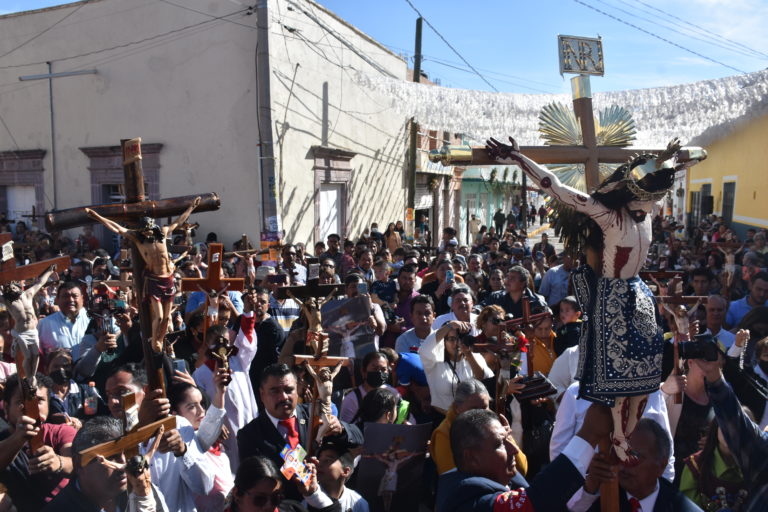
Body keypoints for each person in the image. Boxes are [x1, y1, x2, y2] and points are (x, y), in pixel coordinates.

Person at [487, 136, 688, 461]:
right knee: (619, 377)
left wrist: (672, 159)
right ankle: (619, 436)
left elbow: (672, 167)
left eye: (655, 200)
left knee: (646, 377)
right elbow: (556, 187)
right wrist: (518, 158)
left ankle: (628, 434)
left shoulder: (648, 215)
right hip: (613, 298)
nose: (651, 206)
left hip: (639, 295)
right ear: (632, 192)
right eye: (647, 199)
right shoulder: (608, 214)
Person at [435, 405, 612, 512]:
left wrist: (589, 487)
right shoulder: (466, 498)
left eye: (509, 439)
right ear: (472, 457)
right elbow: (534, 502)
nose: (514, 450)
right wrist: (588, 434)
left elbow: (550, 505)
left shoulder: (512, 479)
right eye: (500, 444)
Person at [86, 196, 202, 353]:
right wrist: (97, 217)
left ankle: (159, 340)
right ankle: (154, 341)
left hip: (168, 279)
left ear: (153, 228)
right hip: (154, 280)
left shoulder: (163, 233)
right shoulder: (138, 239)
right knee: (159, 317)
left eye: (149, 231)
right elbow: (117, 228)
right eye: (144, 232)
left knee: (167, 318)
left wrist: (191, 207)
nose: (147, 234)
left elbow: (178, 222)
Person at [237, 364, 361, 501]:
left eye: (289, 390)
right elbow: (255, 480)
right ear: (262, 394)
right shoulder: (250, 435)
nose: (283, 397)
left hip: (324, 500)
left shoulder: (314, 413)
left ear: (297, 389)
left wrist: (341, 429)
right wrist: (300, 470)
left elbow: (358, 437)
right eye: (275, 391)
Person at [104, 363, 215, 512]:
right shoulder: (107, 438)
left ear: (146, 391)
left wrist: (183, 451)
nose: (113, 402)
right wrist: (140, 428)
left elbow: (204, 486)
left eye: (121, 392)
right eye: (109, 395)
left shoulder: (178, 425)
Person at [566, 419, 702, 511]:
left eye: (634, 456)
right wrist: (590, 487)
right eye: (620, 454)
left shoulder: (681, 507)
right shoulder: (604, 496)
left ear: (661, 465)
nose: (624, 464)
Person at [42, 416, 167, 512]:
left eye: (127, 452)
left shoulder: (141, 488)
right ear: (79, 463)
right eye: (111, 457)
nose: (124, 464)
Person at [193, 294, 258, 472]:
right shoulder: (200, 374)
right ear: (208, 345)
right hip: (224, 429)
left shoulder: (239, 362)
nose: (221, 348)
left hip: (247, 421)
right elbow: (201, 405)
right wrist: (213, 423)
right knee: (231, 468)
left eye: (225, 343)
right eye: (216, 344)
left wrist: (247, 312)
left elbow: (247, 341)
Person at [0, 374, 75, 511]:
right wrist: (18, 438)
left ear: (48, 405)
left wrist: (59, 462)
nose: (30, 406)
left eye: (39, 400)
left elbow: (77, 463)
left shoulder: (61, 432)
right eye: (20, 401)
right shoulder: (3, 441)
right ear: (6, 407)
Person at [430, 378, 527, 477]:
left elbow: (522, 470)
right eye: (474, 410)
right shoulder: (444, 434)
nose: (481, 415)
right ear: (457, 408)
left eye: (484, 408)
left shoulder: (495, 425)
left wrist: (507, 439)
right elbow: (452, 478)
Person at [169, 368, 233, 511]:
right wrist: (220, 393)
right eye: (191, 407)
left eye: (202, 403)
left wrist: (220, 391)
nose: (201, 410)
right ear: (175, 415)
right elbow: (210, 424)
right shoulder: (186, 445)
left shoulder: (213, 438)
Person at [419, 320, 494, 413]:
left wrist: (468, 355)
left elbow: (483, 378)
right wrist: (450, 325)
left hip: (470, 417)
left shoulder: (473, 356)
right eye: (452, 339)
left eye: (460, 339)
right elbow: (424, 349)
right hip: (442, 416)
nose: (457, 343)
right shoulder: (434, 361)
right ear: (443, 342)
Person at [1, 264, 57, 388]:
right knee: (27, 355)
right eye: (9, 289)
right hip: (21, 333)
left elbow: (40, 283)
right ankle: (28, 376)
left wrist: (49, 271)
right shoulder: (8, 301)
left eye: (13, 287)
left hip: (32, 331)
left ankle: (32, 376)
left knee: (35, 355)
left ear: (18, 287)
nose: (12, 290)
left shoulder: (28, 294)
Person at [678, 418, 749, 510]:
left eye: (738, 427)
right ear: (716, 427)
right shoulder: (695, 465)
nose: (730, 432)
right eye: (725, 425)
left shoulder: (756, 469)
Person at [339, 351, 398, 423]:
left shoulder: (393, 394)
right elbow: (346, 426)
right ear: (363, 371)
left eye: (383, 369)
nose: (379, 373)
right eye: (375, 369)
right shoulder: (351, 399)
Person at [37, 281, 94, 354]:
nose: (70, 300)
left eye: (75, 296)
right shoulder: (45, 324)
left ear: (82, 298)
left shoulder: (92, 320)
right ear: (57, 299)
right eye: (65, 296)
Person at [313, 441, 369, 512]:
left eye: (327, 460)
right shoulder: (308, 497)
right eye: (319, 459)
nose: (319, 464)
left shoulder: (358, 503)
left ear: (345, 471)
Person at [481, 266, 546, 319]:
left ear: (522, 284)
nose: (507, 280)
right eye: (507, 277)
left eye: (512, 278)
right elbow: (482, 308)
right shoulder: (495, 297)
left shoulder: (536, 302)